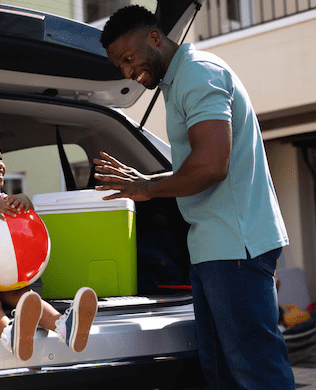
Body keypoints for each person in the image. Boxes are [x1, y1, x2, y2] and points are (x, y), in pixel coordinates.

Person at [94, 5, 295, 389]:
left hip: (236, 246)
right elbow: (198, 163)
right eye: (119, 65)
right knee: (221, 373)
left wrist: (149, 188)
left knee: (256, 371)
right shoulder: (179, 81)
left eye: (128, 58)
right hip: (213, 248)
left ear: (154, 37)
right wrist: (146, 180)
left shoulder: (199, 74)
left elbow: (211, 165)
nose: (126, 72)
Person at [0, 122, 98, 361]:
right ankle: (9, 334)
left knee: (23, 295)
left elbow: (20, 217)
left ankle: (65, 327)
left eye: (0, 157)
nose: (0, 163)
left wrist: (23, 200)